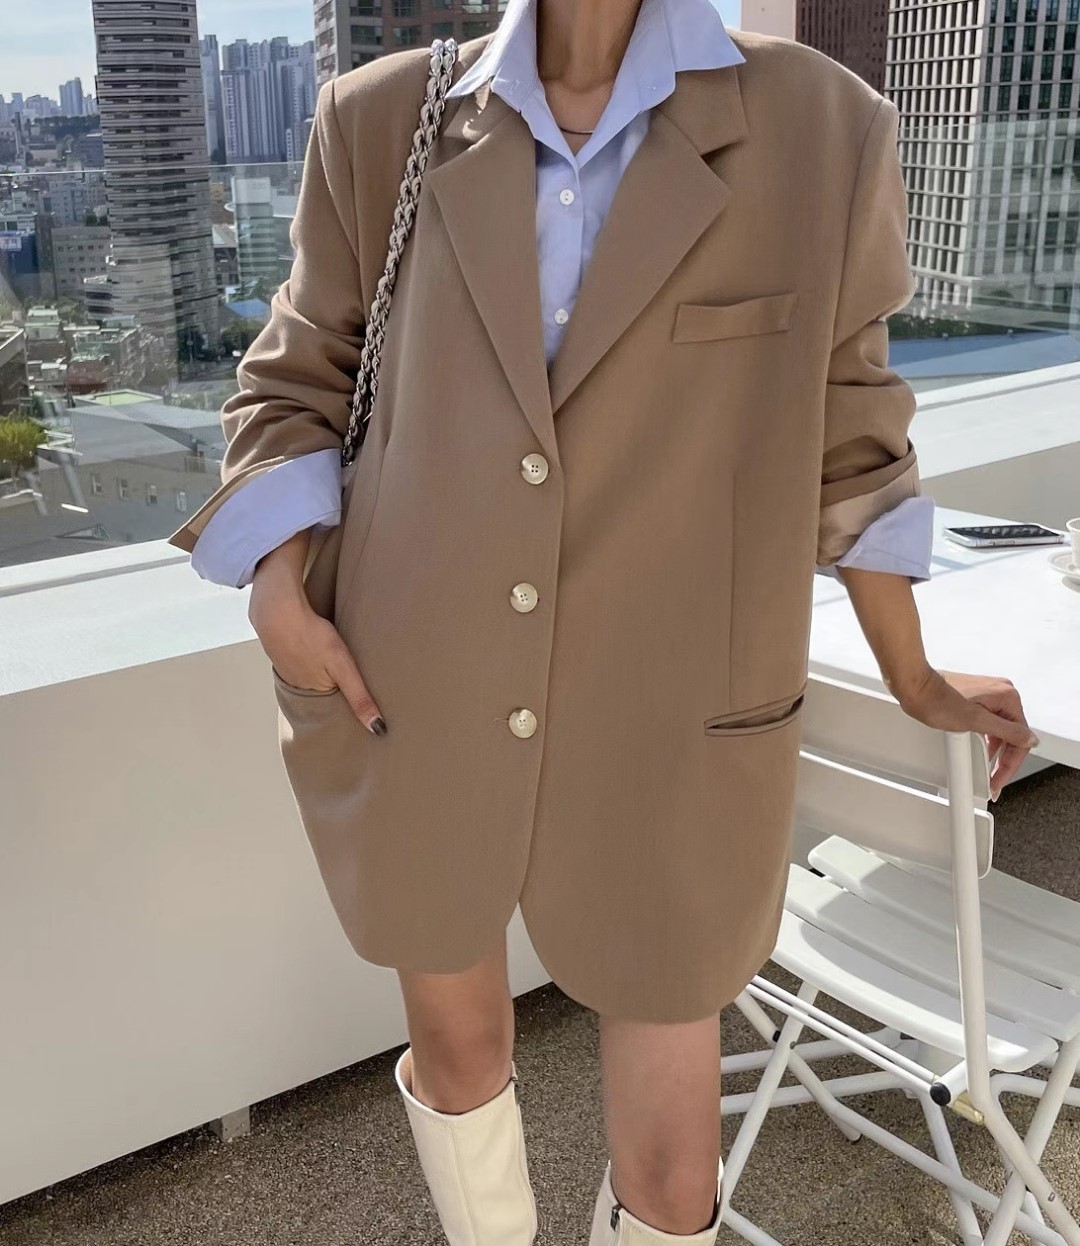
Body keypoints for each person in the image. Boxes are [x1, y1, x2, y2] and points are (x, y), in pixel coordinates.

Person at [169, 1, 1038, 1241]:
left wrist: (916, 674)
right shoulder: (378, 119)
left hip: (674, 698)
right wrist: (275, 587)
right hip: (416, 672)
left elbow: (854, 434)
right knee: (460, 1057)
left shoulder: (821, 126)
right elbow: (299, 371)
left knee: (675, 1172)